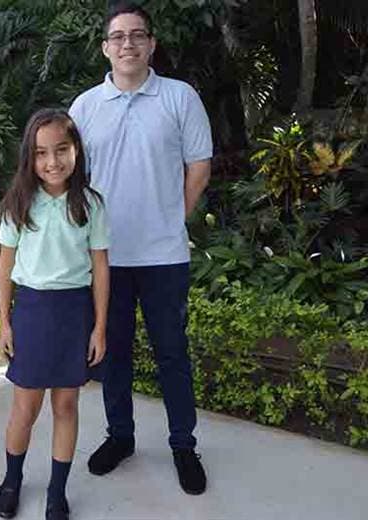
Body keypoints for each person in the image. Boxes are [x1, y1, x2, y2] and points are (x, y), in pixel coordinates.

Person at [68, 1, 212, 495]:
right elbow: (71, 179)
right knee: (113, 354)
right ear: (105, 48)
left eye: (137, 35)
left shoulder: (180, 97)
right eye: (118, 36)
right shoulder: (85, 108)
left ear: (151, 44)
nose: (127, 43)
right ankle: (120, 437)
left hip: (164, 257)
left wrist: (173, 217)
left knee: (172, 353)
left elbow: (199, 166)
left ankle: (183, 445)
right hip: (106, 258)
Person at [0, 109, 109, 520]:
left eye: (61, 150)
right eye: (41, 153)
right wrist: (5, 322)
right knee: (25, 409)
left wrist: (99, 327)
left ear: (76, 150)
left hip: (74, 314)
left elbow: (100, 268)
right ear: (29, 157)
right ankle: (12, 480)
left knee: (66, 406)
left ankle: (56, 492)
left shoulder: (91, 204)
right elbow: (5, 266)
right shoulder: (18, 204)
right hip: (32, 313)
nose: (52, 161)